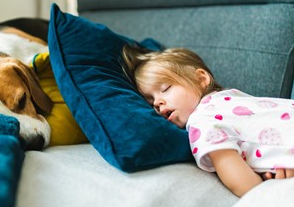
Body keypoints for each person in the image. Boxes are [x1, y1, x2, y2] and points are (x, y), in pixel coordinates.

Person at [122, 44, 294, 197]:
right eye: (151, 103)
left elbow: (243, 184)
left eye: (165, 88)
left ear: (201, 79)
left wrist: (266, 191)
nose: (158, 104)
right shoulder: (229, 98)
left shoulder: (202, 121)